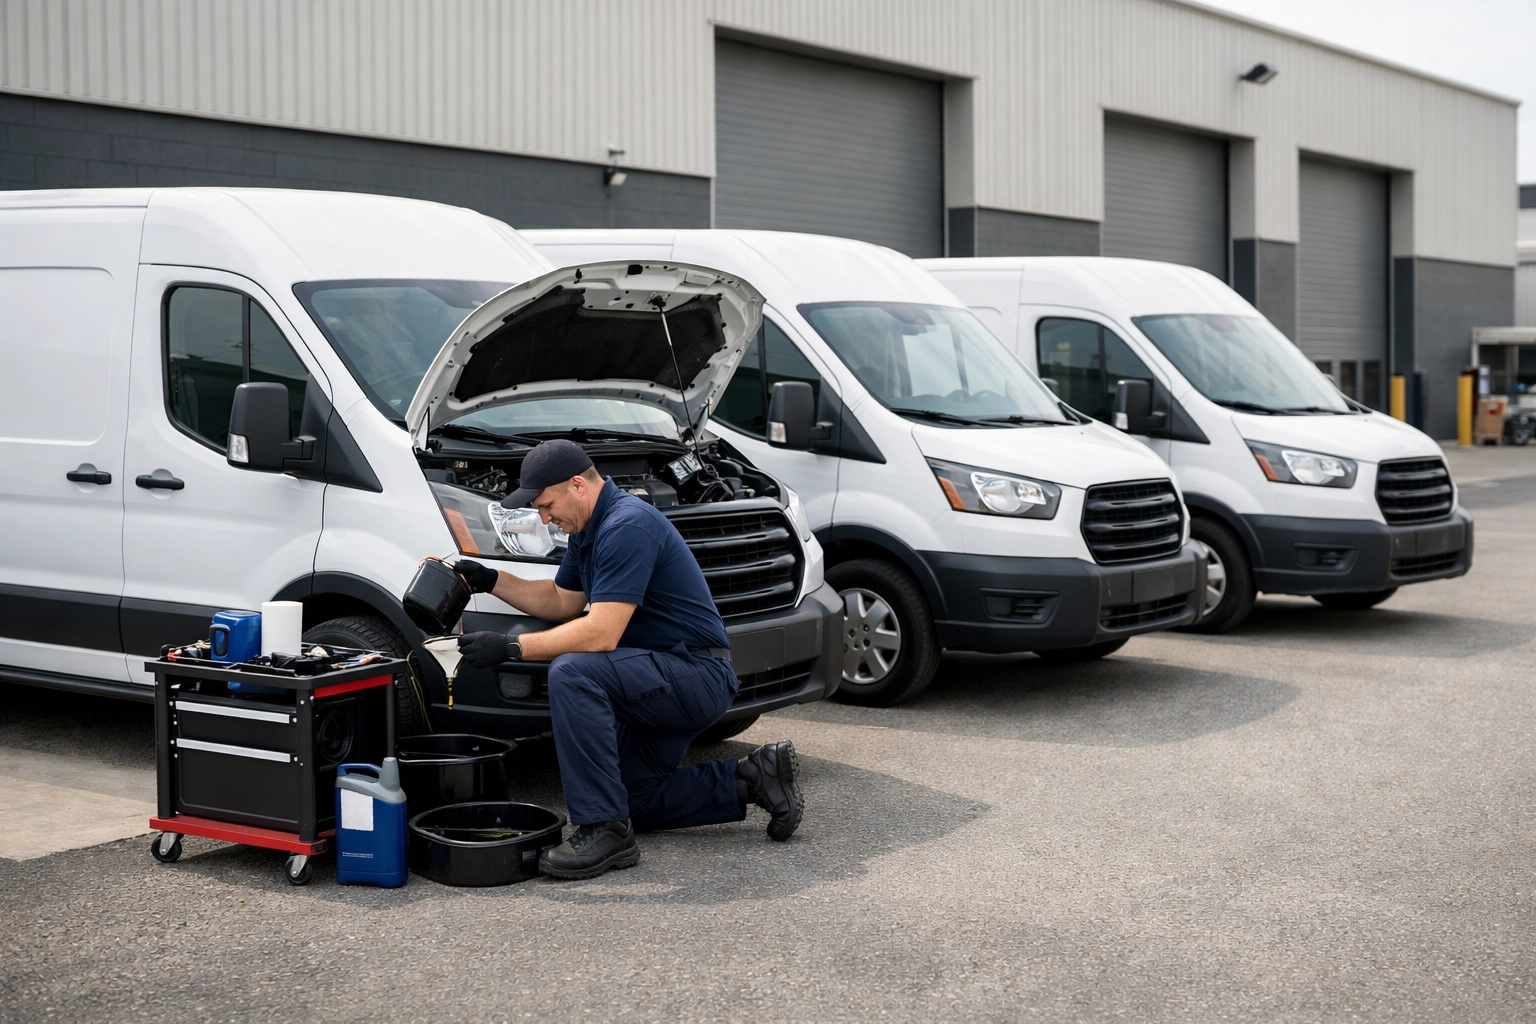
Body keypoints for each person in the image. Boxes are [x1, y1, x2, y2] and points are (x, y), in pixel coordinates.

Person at [451, 438, 803, 880]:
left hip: (694, 675)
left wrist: (511, 647)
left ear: (577, 485)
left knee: (574, 672)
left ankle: (603, 831)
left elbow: (601, 632)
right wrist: (490, 579)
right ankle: (755, 777)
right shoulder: (589, 529)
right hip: (656, 674)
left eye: (545, 505)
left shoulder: (627, 526)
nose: (544, 518)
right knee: (634, 800)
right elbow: (562, 600)